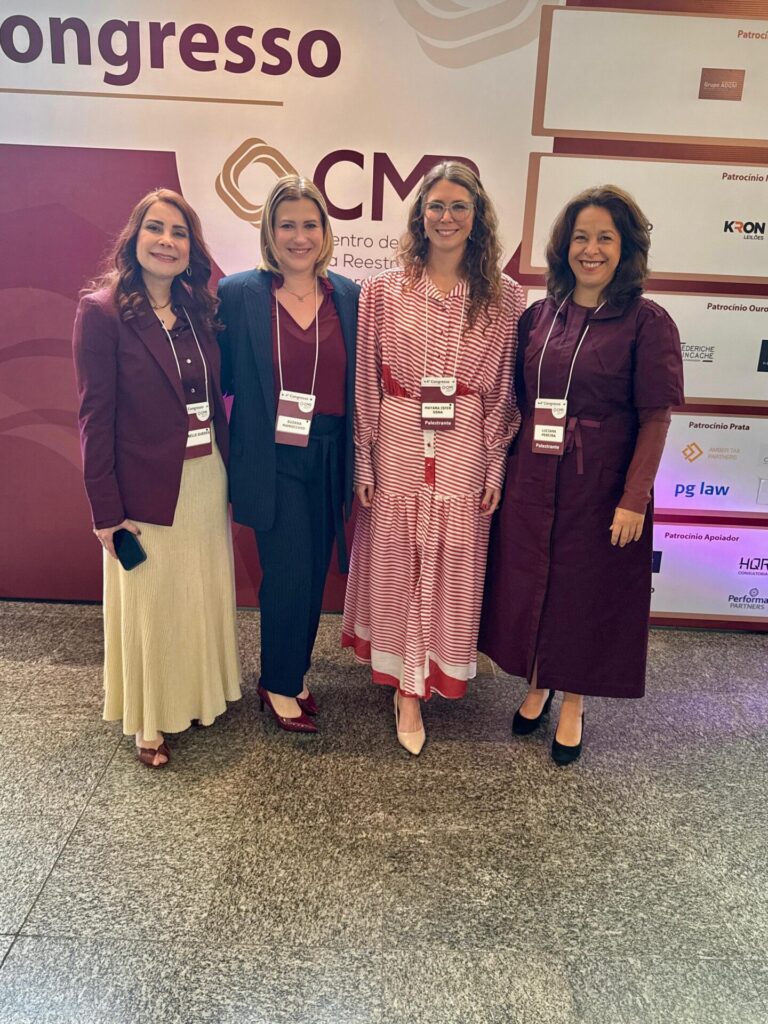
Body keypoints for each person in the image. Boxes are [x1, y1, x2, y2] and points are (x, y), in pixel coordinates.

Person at [479, 185, 684, 765]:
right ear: (563, 247)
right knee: (534, 585)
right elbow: (521, 400)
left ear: (626, 248)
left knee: (583, 593)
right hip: (533, 477)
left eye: (604, 239)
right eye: (580, 238)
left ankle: (573, 699)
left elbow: (656, 417)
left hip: (601, 484)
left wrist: (635, 498)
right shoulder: (540, 316)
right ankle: (538, 682)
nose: (590, 250)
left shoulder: (647, 321)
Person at [342, 161, 524, 754]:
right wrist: (364, 458)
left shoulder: (506, 297)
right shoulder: (382, 291)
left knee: (451, 556)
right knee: (396, 555)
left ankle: (432, 667)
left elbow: (504, 390)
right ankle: (406, 688)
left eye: (459, 207)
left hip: (465, 441)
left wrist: (495, 462)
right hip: (396, 436)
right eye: (436, 206)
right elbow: (366, 380)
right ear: (420, 214)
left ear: (478, 217)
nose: (447, 217)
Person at [72, 188, 242, 768]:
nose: (167, 241)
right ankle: (149, 718)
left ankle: (197, 697)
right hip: (143, 489)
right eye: (156, 228)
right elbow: (94, 418)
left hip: (205, 476)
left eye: (179, 232)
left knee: (197, 593)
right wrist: (105, 512)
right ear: (135, 237)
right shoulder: (102, 312)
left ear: (191, 247)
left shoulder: (199, 309)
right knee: (152, 603)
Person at [217, 176, 359, 734]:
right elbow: (222, 375)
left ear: (325, 231)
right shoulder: (237, 293)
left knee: (313, 570)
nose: (299, 237)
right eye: (287, 225)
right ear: (269, 232)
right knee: (288, 572)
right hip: (271, 455)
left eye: (309, 225)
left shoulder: (348, 295)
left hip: (329, 453)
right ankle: (277, 682)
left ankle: (293, 673)